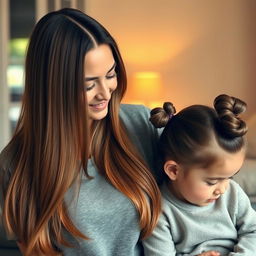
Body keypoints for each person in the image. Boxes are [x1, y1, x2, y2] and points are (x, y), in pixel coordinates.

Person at [0, 8, 162, 256]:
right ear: (52, 87)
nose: (106, 92)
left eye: (110, 75)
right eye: (88, 84)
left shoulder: (140, 122)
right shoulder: (16, 164)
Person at [142, 94, 256, 256]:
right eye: (212, 181)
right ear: (174, 171)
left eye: (229, 177)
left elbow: (253, 230)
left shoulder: (232, 193)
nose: (223, 189)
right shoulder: (158, 213)